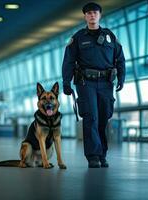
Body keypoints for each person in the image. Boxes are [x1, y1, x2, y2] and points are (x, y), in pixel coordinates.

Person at [62, 2, 125, 168]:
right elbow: (68, 61)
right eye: (89, 13)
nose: (92, 15)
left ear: (100, 15)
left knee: (103, 118)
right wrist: (66, 82)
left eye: (95, 13)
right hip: (85, 83)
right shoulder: (78, 38)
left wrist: (122, 78)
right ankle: (93, 156)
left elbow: (120, 59)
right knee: (91, 117)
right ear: (85, 16)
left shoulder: (110, 36)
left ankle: (102, 154)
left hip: (106, 83)